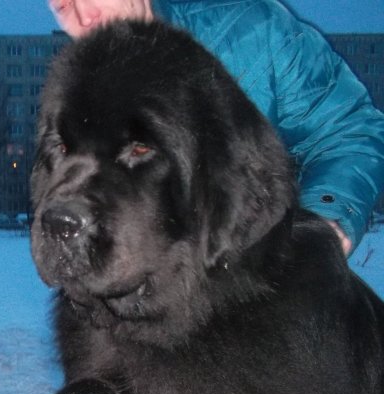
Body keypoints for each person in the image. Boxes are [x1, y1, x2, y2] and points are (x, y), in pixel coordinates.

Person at [47, 0, 384, 255]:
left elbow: (349, 129)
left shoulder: (249, 33)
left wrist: (325, 222)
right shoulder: (79, 86)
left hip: (266, 290)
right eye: (63, 5)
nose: (85, 17)